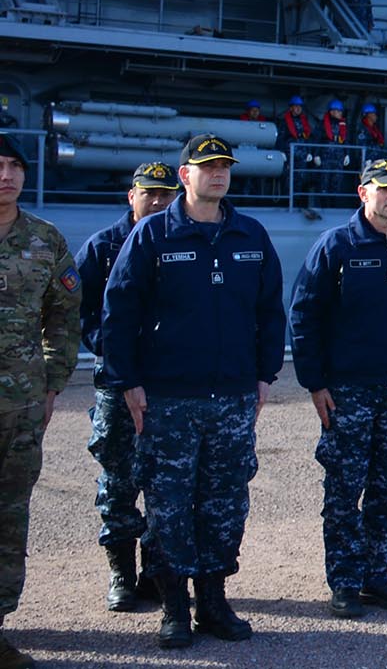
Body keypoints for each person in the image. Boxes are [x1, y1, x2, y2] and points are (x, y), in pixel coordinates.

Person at [99, 134, 285, 649]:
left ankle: (214, 603)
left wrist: (264, 374)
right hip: (169, 397)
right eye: (207, 167)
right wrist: (128, 380)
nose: (218, 174)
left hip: (231, 396)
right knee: (169, 504)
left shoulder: (250, 235)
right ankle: (175, 609)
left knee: (224, 503)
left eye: (224, 166)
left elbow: (270, 312)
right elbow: (120, 311)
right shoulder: (154, 235)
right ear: (186, 176)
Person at [288, 157, 387, 620]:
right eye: (383, 188)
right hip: (348, 390)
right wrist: (315, 383)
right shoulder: (336, 246)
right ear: (363, 192)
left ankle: (377, 575)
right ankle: (345, 583)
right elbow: (304, 315)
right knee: (343, 488)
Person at [75, 162, 178, 612]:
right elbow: (80, 313)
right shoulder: (102, 248)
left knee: (166, 480)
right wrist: (119, 353)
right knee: (118, 477)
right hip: (117, 381)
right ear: (130, 196)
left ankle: (157, 574)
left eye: (165, 194)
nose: (157, 201)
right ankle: (121, 571)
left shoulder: (181, 242)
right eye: (149, 193)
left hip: (168, 381)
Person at [0, 133, 82, 664]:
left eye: (14, 167)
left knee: (9, 518)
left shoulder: (45, 240)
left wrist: (53, 381)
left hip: (21, 405)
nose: (6, 175)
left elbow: (65, 314)